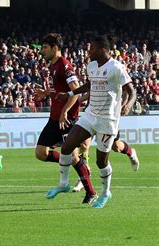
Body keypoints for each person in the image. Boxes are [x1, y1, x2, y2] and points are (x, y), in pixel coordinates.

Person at [55, 36, 136, 208]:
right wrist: (69, 95)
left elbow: (131, 90)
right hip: (90, 115)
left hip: (108, 120)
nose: (88, 51)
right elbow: (89, 85)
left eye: (91, 48)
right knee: (67, 146)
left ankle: (106, 192)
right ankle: (63, 184)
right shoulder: (91, 66)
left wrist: (128, 104)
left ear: (102, 50)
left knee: (101, 162)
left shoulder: (116, 67)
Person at [33, 33, 96, 203]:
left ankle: (91, 191)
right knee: (41, 152)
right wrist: (45, 93)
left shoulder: (65, 66)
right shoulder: (53, 66)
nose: (43, 51)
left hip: (66, 119)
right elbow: (57, 89)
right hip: (54, 118)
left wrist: (65, 112)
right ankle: (73, 167)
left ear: (55, 48)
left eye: (45, 48)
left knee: (73, 156)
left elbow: (76, 91)